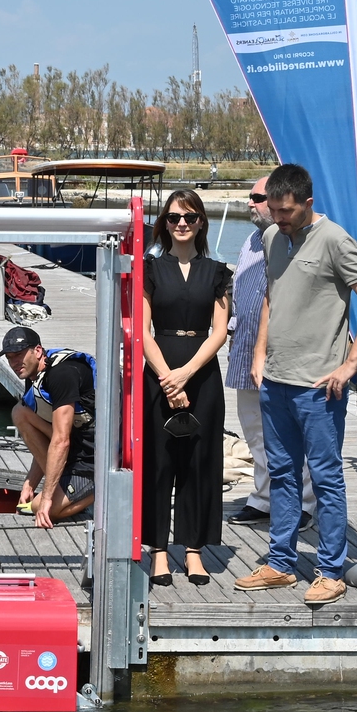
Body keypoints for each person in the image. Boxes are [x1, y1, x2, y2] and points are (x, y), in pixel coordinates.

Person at [237, 163, 357, 606]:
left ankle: (330, 571)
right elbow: (271, 295)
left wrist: (350, 364)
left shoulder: (336, 241)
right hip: (275, 382)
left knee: (325, 478)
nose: (279, 219)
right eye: (273, 210)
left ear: (307, 203)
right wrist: (260, 354)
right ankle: (280, 565)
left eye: (286, 212)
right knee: (281, 474)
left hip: (319, 386)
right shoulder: (270, 237)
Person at [141, 188, 232, 586]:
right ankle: (159, 550)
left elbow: (219, 332)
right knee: (160, 464)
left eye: (190, 217)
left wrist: (186, 374)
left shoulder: (218, 272)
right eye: (175, 217)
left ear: (201, 223)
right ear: (164, 223)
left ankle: (193, 549)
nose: (182, 224)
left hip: (203, 376)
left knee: (198, 463)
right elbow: (143, 330)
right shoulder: (148, 269)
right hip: (159, 373)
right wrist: (167, 378)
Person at [227, 175, 316, 528]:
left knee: (293, 432)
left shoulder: (301, 242)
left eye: (258, 197)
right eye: (251, 197)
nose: (251, 203)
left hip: (285, 356)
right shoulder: (252, 241)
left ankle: (305, 503)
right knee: (254, 431)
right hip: (245, 350)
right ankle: (264, 497)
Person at [3, 327, 96, 529]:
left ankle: (101, 490)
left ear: (37, 351)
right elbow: (46, 440)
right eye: (10, 358)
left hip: (95, 455)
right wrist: (30, 482)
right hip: (77, 442)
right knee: (20, 412)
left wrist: (46, 498)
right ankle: (63, 487)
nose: (14, 363)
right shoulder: (35, 375)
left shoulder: (61, 375)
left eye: (19, 355)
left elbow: (61, 440)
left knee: (42, 508)